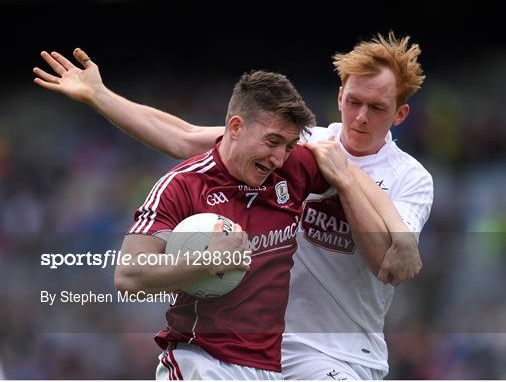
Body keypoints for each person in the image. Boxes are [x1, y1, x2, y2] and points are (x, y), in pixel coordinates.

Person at [33, 32, 430, 379]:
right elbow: (183, 136)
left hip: (341, 351)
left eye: (376, 108)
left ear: (400, 114)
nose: (360, 117)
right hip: (266, 349)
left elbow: (388, 263)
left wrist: (396, 228)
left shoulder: (408, 178)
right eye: (354, 101)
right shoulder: (298, 143)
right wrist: (99, 95)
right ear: (340, 94)